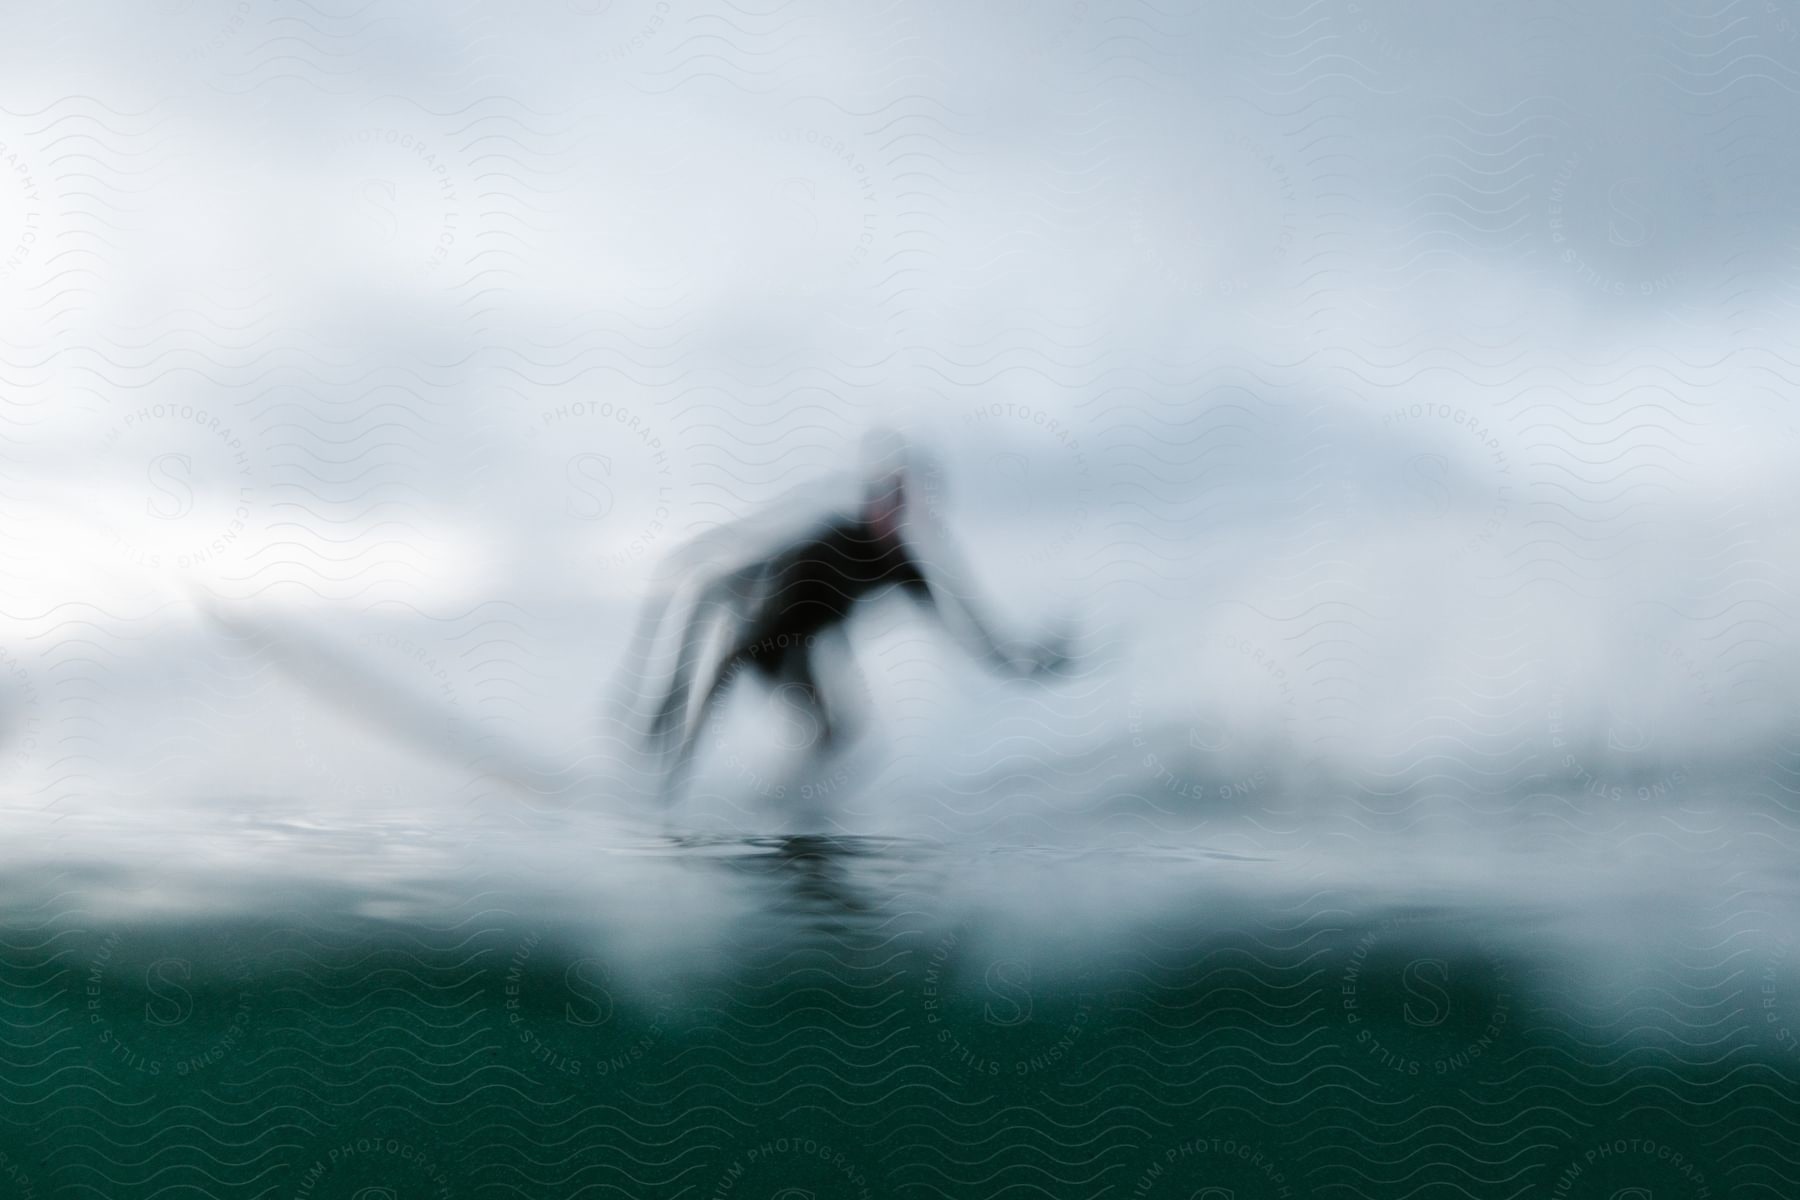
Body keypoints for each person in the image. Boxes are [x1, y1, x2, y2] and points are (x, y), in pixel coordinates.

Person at [621, 429, 1071, 806]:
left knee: (840, 733)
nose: (897, 518)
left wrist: (1038, 662)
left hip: (805, 652)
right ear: (874, 503)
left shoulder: (904, 569)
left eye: (911, 508)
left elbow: (981, 642)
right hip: (765, 639)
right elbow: (728, 646)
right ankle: (661, 745)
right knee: (715, 599)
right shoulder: (829, 543)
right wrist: (678, 761)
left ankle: (780, 806)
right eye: (890, 502)